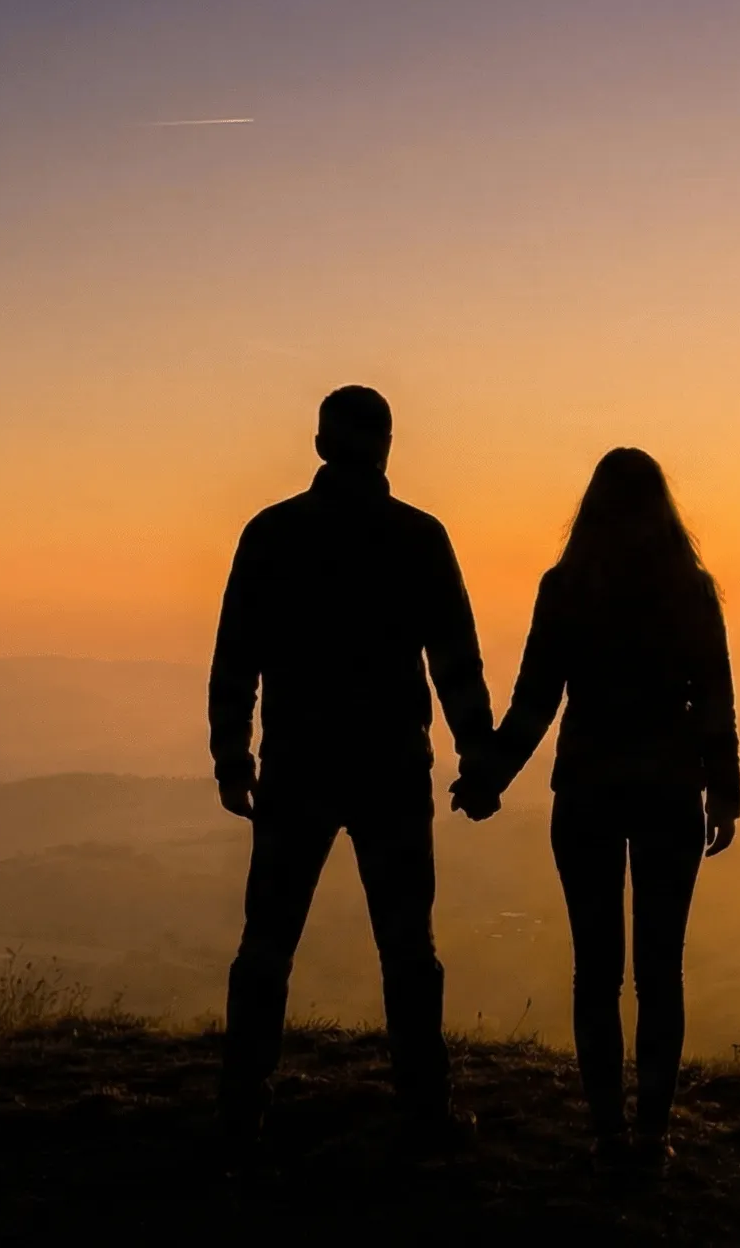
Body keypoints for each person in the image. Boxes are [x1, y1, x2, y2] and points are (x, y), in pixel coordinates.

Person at [207, 385, 494, 1163]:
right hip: (392, 766)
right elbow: (455, 660)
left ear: (320, 445)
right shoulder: (417, 537)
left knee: (266, 941)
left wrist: (232, 757)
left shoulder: (272, 534)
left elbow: (237, 654)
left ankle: (242, 1111)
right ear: (387, 447)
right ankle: (424, 1112)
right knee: (408, 947)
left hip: (297, 763)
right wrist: (480, 759)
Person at [452, 447, 740, 1177]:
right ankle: (652, 1135)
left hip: (585, 791)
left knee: (596, 972)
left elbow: (534, 703)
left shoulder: (568, 588)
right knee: (660, 973)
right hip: (670, 791)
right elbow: (714, 700)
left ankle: (609, 1132)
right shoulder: (690, 591)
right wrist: (724, 790)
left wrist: (488, 776)